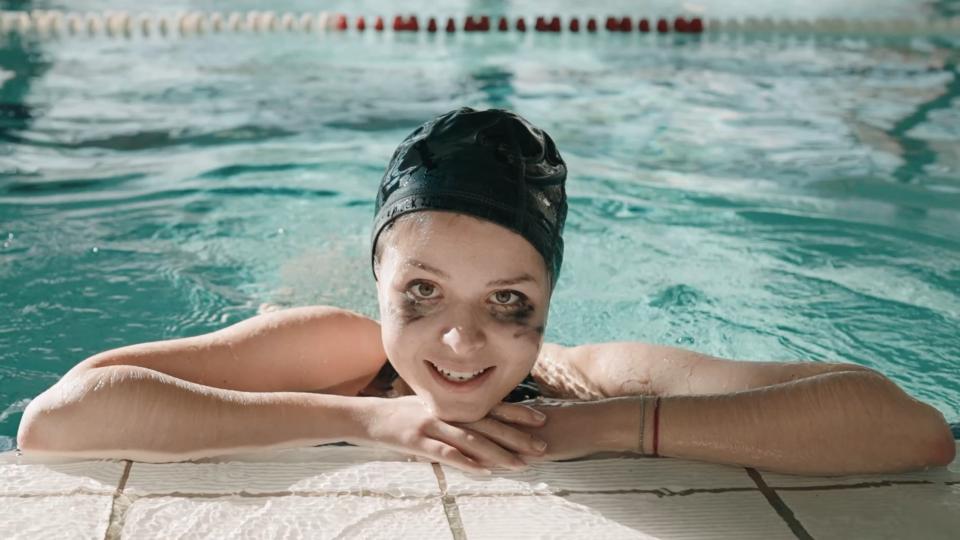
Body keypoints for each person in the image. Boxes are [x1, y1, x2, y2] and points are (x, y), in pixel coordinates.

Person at [16, 107, 955, 476]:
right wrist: (370, 421)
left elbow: (907, 426)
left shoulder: (591, 377)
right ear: (378, 278)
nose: (461, 348)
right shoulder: (338, 346)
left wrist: (595, 427)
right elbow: (59, 416)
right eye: (420, 293)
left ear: (549, 296)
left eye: (509, 304)